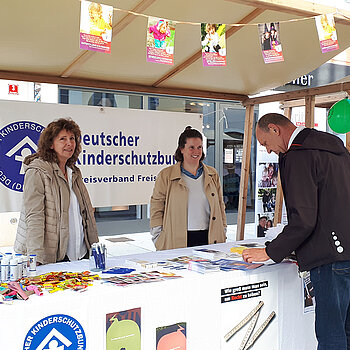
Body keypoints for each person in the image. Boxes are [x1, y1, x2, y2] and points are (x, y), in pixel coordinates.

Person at [242, 112, 350, 350]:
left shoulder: (299, 155)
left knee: (331, 335)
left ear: (274, 129)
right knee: (346, 331)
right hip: (345, 250)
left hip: (329, 258)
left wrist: (271, 252)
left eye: (265, 143)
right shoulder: (334, 148)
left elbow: (304, 219)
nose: (268, 150)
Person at [14, 118, 99, 265]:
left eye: (72, 139)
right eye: (63, 139)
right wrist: (35, 258)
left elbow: (86, 215)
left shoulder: (74, 172)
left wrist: (96, 248)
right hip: (53, 257)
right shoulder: (38, 171)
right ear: (51, 144)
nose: (69, 143)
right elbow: (34, 216)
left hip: (80, 254)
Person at [150, 126, 227, 250]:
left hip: (209, 237)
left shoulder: (212, 174)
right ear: (181, 149)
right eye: (191, 147)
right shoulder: (166, 175)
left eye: (199, 147)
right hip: (177, 238)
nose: (196, 152)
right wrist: (157, 235)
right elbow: (157, 205)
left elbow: (220, 204)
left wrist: (223, 228)